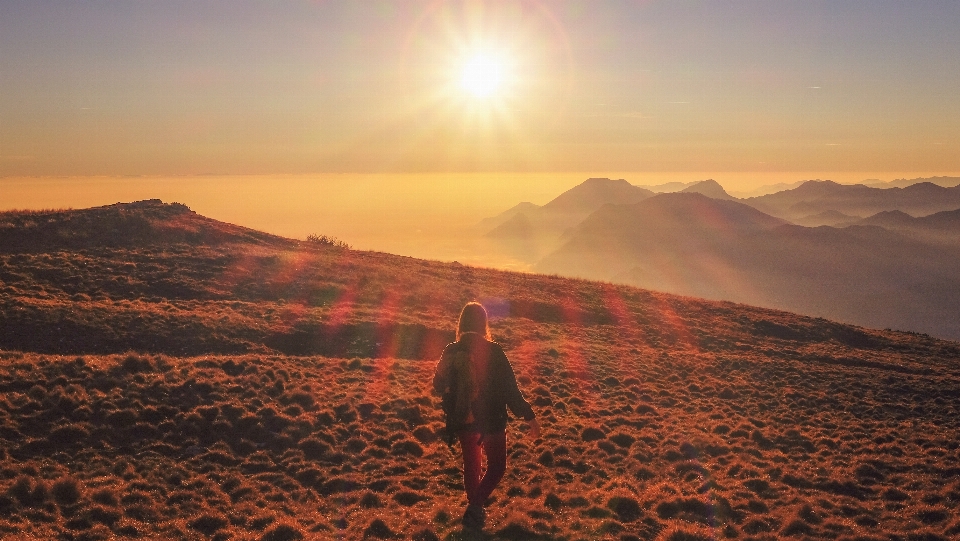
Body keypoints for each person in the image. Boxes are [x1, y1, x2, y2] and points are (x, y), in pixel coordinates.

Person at [433, 301, 540, 531]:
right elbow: (510, 390)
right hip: (491, 421)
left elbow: (437, 384)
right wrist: (529, 416)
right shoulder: (494, 351)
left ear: (462, 322)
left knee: (472, 467)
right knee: (497, 467)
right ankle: (475, 508)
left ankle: (474, 514)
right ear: (484, 324)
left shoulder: (452, 350)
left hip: (462, 419)